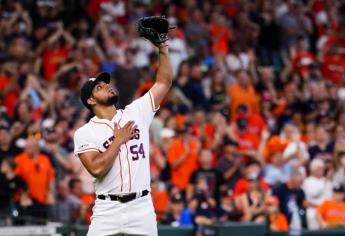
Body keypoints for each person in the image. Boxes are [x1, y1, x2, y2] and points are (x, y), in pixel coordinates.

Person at [73, 40, 172, 235]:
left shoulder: (136, 112)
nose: (107, 86)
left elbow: (163, 82)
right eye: (99, 87)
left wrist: (162, 48)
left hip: (141, 206)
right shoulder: (85, 132)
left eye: (106, 83)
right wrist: (118, 139)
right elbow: (96, 168)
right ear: (91, 100)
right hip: (107, 209)